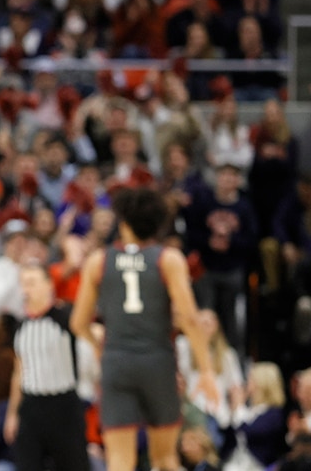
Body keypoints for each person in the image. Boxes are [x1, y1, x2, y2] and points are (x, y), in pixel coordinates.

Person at [72, 187, 218, 471]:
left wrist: (99, 346)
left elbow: (78, 322)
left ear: (124, 223)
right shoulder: (168, 259)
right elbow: (190, 319)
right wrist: (206, 370)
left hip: (117, 363)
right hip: (158, 363)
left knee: (119, 462)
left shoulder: (98, 261)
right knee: (165, 460)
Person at [5, 263, 89, 471]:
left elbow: (91, 331)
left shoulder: (65, 317)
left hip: (64, 407)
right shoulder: (20, 325)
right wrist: (12, 414)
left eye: (32, 283)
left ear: (48, 285)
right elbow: (18, 372)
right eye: (23, 284)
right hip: (31, 407)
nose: (26, 289)